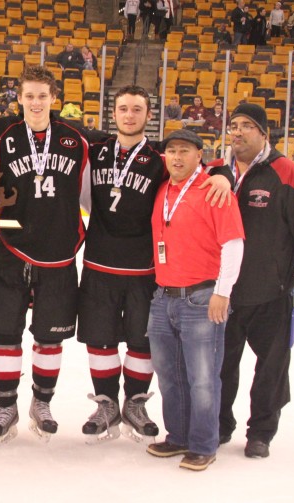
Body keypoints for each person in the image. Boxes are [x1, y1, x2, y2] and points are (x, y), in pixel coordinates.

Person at [79, 86, 233, 445]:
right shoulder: (96, 151)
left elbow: (200, 166)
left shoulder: (162, 156)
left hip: (145, 269)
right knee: (99, 340)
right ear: (112, 113)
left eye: (137, 109)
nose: (129, 115)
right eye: (122, 109)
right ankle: (105, 404)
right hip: (99, 263)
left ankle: (134, 402)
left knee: (140, 341)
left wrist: (224, 173)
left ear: (149, 116)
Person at [209, 104, 294, 459]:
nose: (238, 132)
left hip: (271, 292)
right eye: (233, 125)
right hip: (223, 294)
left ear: (265, 133)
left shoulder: (287, 173)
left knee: (272, 370)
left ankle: (261, 432)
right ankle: (219, 426)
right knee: (220, 367)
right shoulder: (219, 172)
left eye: (247, 126)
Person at [0, 66, 90, 444]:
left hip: (59, 253)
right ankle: (5, 406)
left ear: (54, 98)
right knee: (4, 333)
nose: (36, 102)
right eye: (29, 95)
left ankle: (41, 404)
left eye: (43, 95)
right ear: (20, 99)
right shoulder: (1, 139)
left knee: (49, 337)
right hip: (12, 249)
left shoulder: (77, 141)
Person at [146, 129, 245, 472]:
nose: (176, 157)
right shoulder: (163, 190)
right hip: (163, 297)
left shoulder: (213, 191)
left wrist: (222, 292)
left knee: (202, 377)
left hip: (202, 298)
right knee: (170, 375)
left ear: (199, 155)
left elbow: (233, 244)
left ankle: (204, 443)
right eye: (171, 151)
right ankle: (179, 436)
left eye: (184, 151)